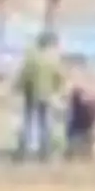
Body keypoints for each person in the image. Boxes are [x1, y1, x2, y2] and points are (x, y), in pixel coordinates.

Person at [15, 32, 65, 162]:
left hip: (31, 94)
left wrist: (18, 88)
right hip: (46, 95)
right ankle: (45, 151)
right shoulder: (52, 60)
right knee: (44, 123)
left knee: (28, 122)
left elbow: (24, 75)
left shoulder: (32, 59)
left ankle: (23, 151)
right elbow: (59, 78)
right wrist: (57, 91)